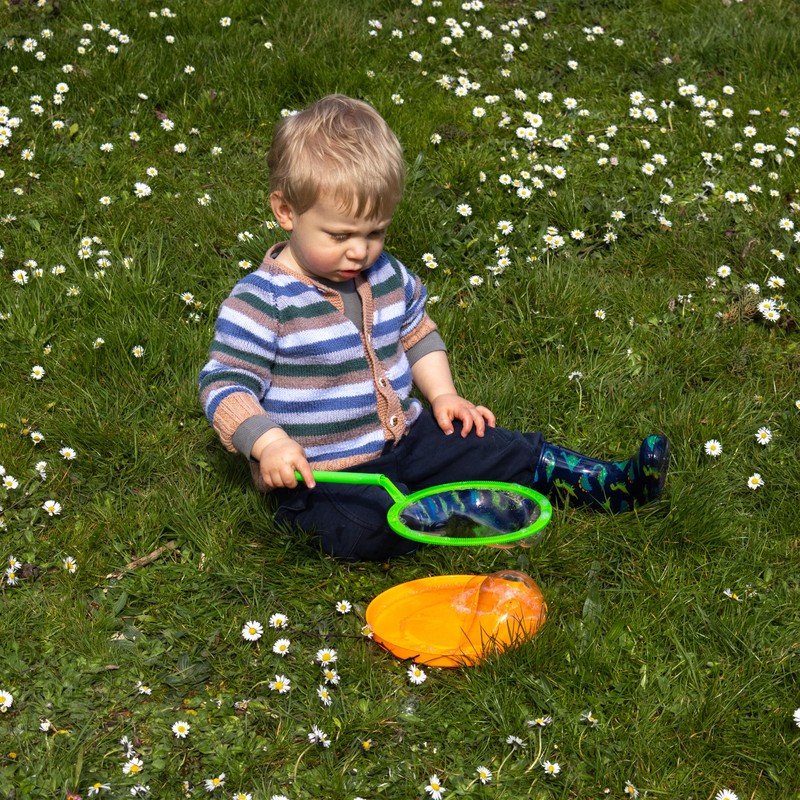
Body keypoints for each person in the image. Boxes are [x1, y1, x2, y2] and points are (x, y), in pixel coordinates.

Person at [199, 94, 670, 561]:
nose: (360, 251)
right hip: (326, 473)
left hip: (409, 437)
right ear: (286, 211)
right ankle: (450, 518)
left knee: (499, 447)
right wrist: (270, 443)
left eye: (375, 232)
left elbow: (417, 333)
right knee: (363, 525)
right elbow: (225, 384)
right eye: (339, 235)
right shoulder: (263, 301)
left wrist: (444, 396)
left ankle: (605, 484)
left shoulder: (386, 274)